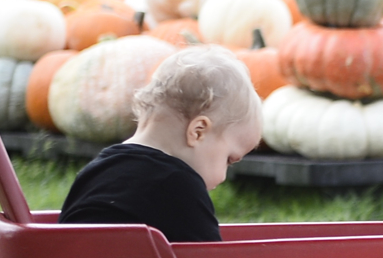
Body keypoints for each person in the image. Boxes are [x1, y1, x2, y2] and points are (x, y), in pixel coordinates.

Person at [59, 45, 263, 242]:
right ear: (198, 131)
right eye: (228, 159)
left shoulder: (97, 169)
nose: (223, 177)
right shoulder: (180, 188)